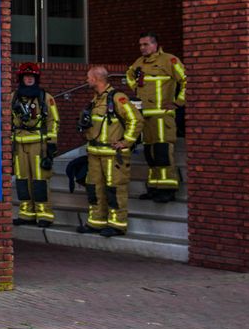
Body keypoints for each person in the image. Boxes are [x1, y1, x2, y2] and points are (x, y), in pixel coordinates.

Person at [78, 65, 140, 237]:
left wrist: (126, 142)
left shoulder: (118, 98)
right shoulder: (95, 100)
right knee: (94, 188)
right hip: (95, 153)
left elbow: (136, 119)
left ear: (97, 78)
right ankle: (96, 222)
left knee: (114, 189)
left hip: (114, 155)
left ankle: (117, 224)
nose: (87, 80)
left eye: (88, 77)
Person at [126, 32, 187, 203]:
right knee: (150, 154)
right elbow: (130, 75)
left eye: (145, 44)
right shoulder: (139, 62)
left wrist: (178, 102)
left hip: (162, 116)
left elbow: (186, 80)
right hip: (145, 116)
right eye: (140, 45)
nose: (142, 48)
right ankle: (154, 187)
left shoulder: (169, 60)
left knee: (162, 153)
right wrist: (135, 90)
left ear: (155, 44)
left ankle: (168, 188)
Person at [10, 63, 59, 228]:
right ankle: (26, 213)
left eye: (32, 77)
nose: (29, 79)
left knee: (40, 180)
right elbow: (7, 121)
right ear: (21, 79)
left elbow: (54, 121)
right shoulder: (13, 97)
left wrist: (51, 144)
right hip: (19, 145)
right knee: (22, 180)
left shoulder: (46, 98)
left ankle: (44, 214)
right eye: (26, 77)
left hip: (39, 145)